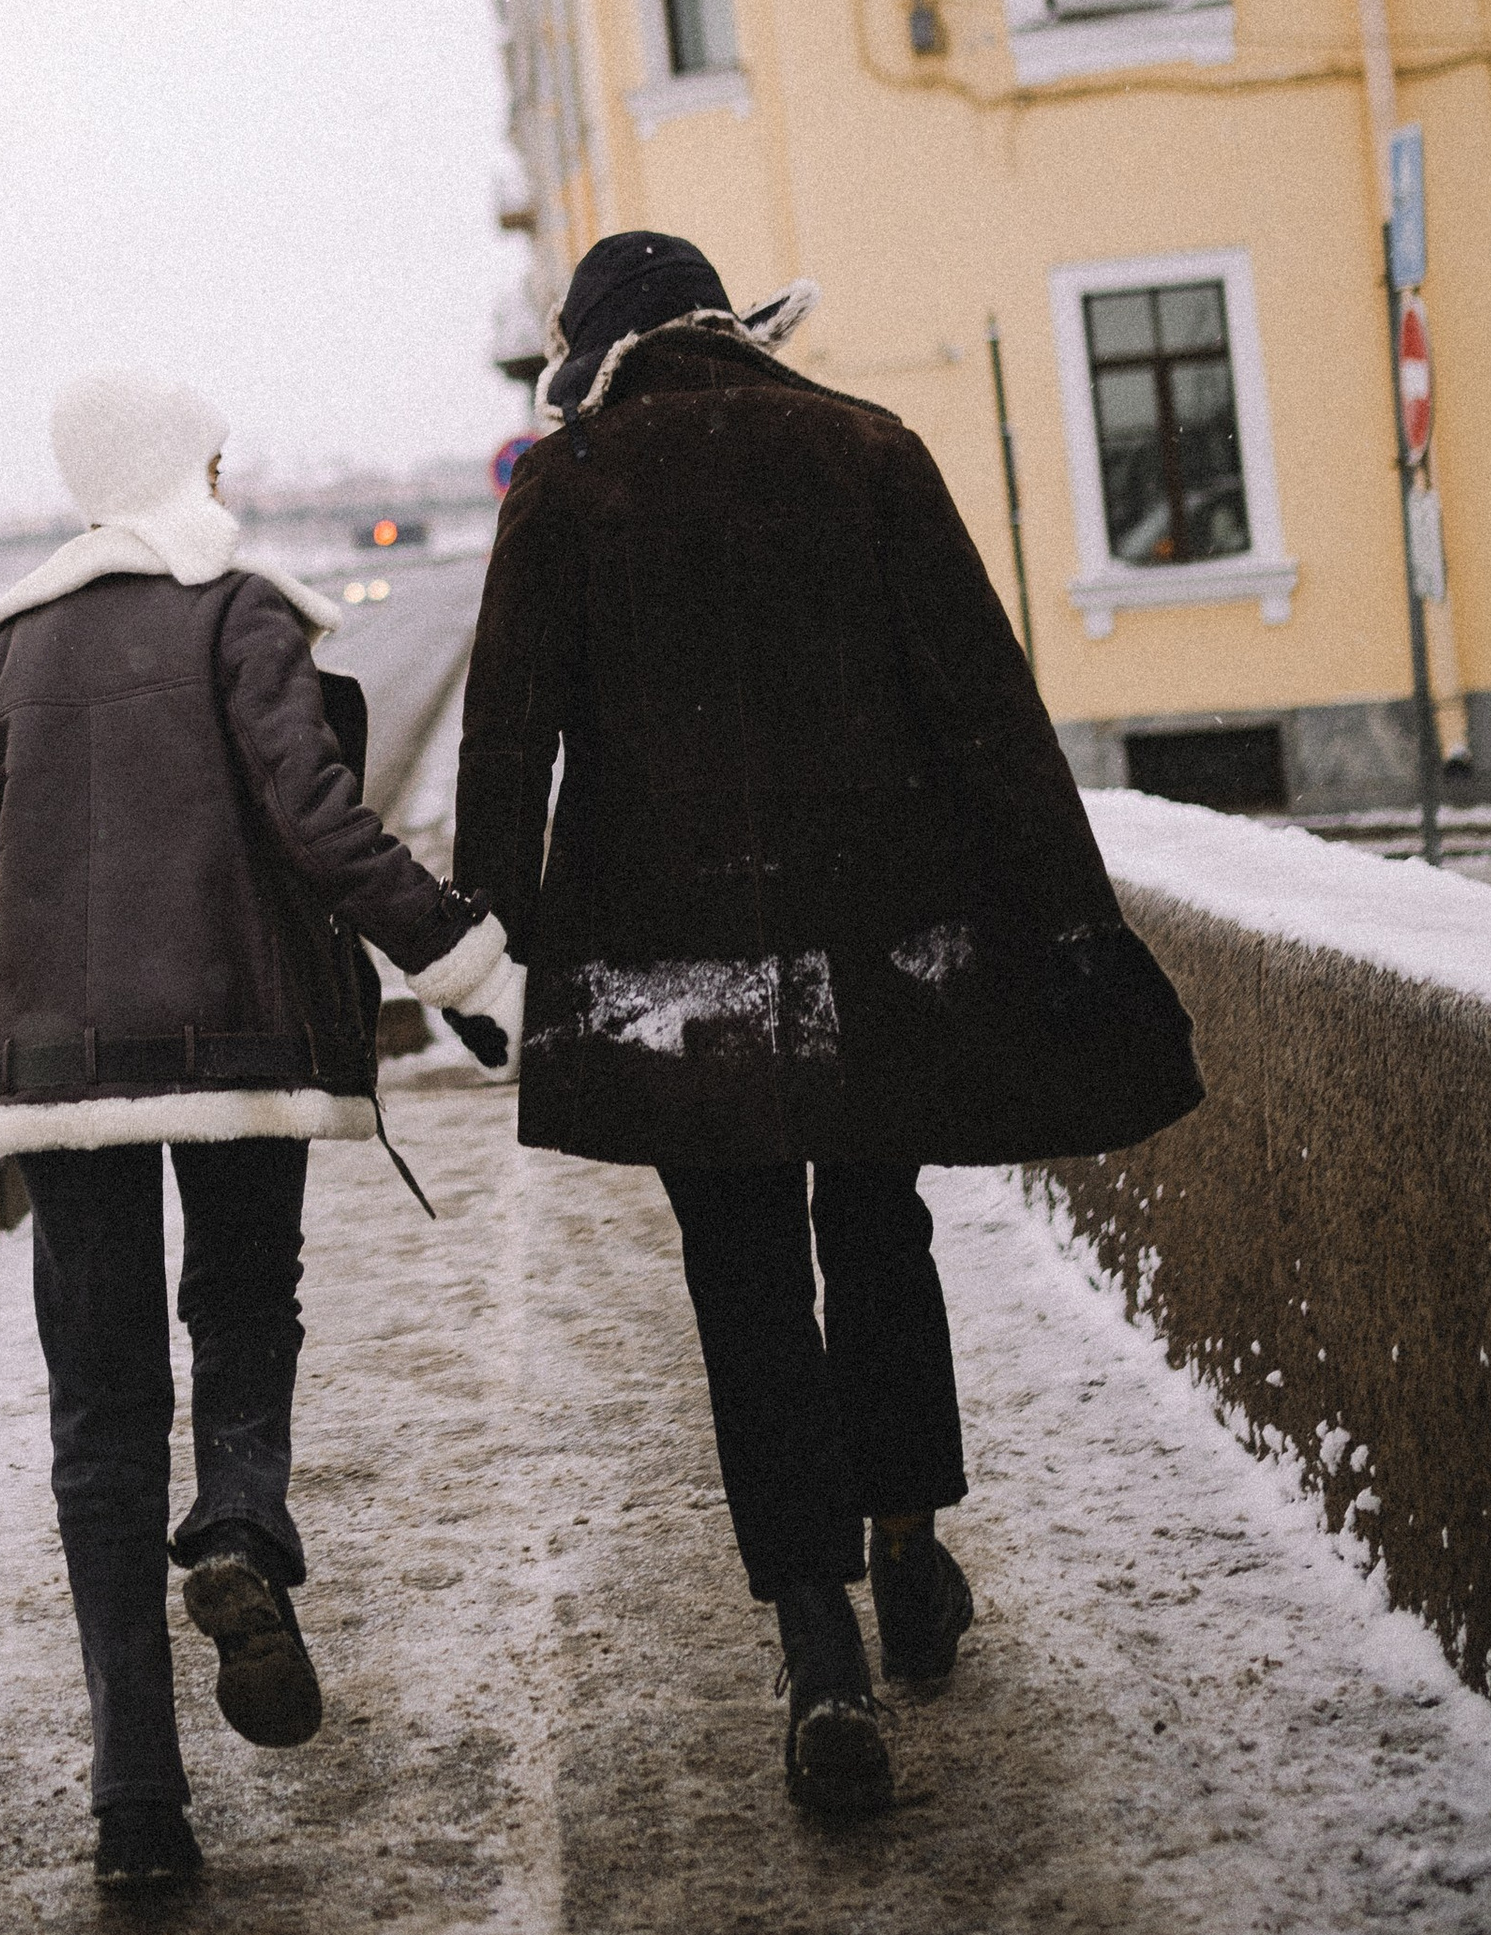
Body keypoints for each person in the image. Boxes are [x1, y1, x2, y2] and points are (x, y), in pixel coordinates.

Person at [452, 231, 1203, 1819]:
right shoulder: (868, 450)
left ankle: (818, 1648)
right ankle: (911, 1552)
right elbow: (988, 709)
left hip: (674, 973)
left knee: (741, 1278)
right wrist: (1072, 916)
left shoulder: (566, 489)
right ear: (727, 327)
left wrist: (485, 942)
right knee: (875, 1229)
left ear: (596, 358)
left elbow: (508, 743)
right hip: (884, 946)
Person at [0, 369, 521, 1888]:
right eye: (211, 455)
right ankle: (236, 1531)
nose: (223, 477)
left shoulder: (0, 650)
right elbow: (321, 823)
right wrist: (468, 966)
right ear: (175, 467)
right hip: (240, 1037)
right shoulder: (240, 615)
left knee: (98, 1410)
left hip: (54, 1069)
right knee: (242, 1305)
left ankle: (135, 1800)